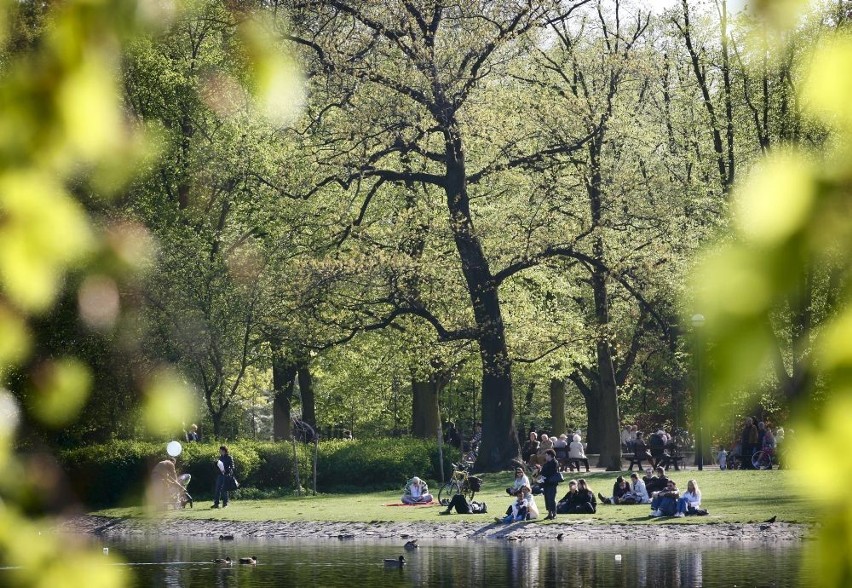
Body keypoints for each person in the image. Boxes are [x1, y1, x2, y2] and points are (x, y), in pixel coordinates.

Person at [539, 449, 560, 520]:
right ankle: (549, 513)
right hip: (546, 483)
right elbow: (543, 472)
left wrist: (544, 475)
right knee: (547, 498)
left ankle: (554, 513)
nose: (545, 456)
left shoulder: (554, 462)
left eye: (546, 455)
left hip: (551, 483)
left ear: (550, 455)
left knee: (551, 498)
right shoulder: (547, 463)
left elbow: (551, 472)